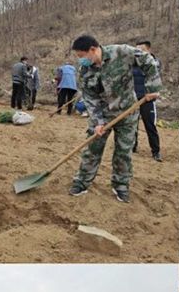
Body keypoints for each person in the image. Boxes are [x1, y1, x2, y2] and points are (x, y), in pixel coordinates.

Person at [69, 35, 162, 203]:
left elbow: (148, 61)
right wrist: (98, 122)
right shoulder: (86, 71)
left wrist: (153, 87)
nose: (80, 60)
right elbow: (90, 98)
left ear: (93, 49)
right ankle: (82, 182)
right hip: (103, 113)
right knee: (92, 148)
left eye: (82, 56)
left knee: (124, 151)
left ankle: (120, 185)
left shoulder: (121, 52)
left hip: (127, 112)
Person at [132, 39, 162, 161]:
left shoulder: (154, 63)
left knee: (150, 126)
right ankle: (132, 146)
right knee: (132, 124)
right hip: (133, 98)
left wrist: (154, 93)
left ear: (148, 50)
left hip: (147, 98)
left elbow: (157, 80)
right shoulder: (132, 63)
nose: (139, 52)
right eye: (137, 50)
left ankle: (156, 152)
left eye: (142, 50)